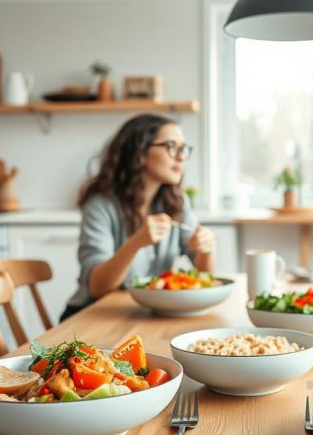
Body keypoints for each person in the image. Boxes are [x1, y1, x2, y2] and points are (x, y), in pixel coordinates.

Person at [60, 113, 214, 321]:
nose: (181, 156)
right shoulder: (100, 205)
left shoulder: (177, 202)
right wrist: (135, 243)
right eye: (171, 146)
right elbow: (98, 288)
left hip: (142, 315)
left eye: (183, 149)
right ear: (140, 153)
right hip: (91, 316)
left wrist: (205, 250)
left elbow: (206, 276)